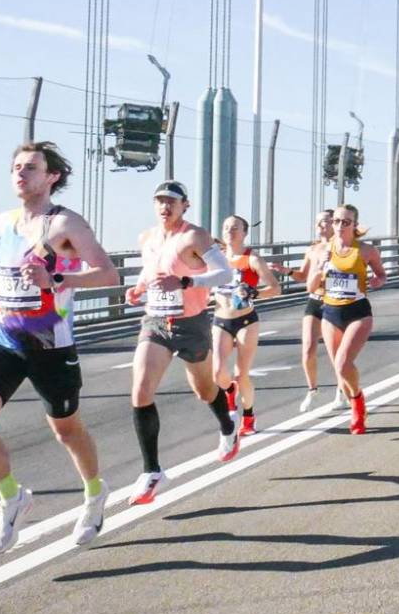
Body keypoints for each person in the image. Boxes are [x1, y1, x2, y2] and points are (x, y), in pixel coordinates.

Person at [0, 142, 120, 554]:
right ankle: (12, 499)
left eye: (31, 168)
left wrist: (59, 282)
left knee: (67, 431)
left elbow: (109, 275)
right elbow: (11, 274)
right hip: (4, 336)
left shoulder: (66, 225)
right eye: (16, 167)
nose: (20, 174)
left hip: (50, 343)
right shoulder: (5, 222)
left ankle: (95, 493)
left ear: (52, 177)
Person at [124, 181, 240, 505]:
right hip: (156, 321)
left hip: (192, 323)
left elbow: (225, 274)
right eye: (159, 201)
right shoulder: (147, 238)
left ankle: (228, 425)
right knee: (141, 389)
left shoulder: (195, 236)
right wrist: (136, 290)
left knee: (204, 391)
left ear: (184, 205)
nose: (165, 207)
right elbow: (150, 273)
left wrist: (188, 280)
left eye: (171, 201)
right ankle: (151, 470)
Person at [309, 203, 385, 434]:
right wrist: (320, 269)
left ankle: (358, 407)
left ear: (354, 225)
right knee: (339, 370)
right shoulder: (322, 250)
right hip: (330, 313)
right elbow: (310, 287)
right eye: (337, 221)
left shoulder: (365, 250)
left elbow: (381, 274)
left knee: (343, 363)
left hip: (358, 312)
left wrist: (376, 281)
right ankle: (356, 398)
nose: (340, 226)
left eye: (346, 222)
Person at [211, 214, 280, 437]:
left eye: (235, 228)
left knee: (242, 374)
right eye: (226, 227)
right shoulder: (215, 258)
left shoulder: (252, 259)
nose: (230, 231)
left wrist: (254, 292)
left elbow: (275, 288)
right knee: (218, 373)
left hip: (246, 320)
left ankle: (248, 415)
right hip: (221, 319)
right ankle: (230, 391)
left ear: (244, 233)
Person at [296, 211, 336, 412]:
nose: (322, 224)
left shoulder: (342, 247)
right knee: (308, 349)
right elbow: (303, 275)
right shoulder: (313, 249)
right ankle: (312, 390)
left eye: (326, 221)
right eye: (318, 221)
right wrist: (284, 271)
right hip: (315, 300)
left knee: (335, 352)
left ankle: (342, 389)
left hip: (335, 301)